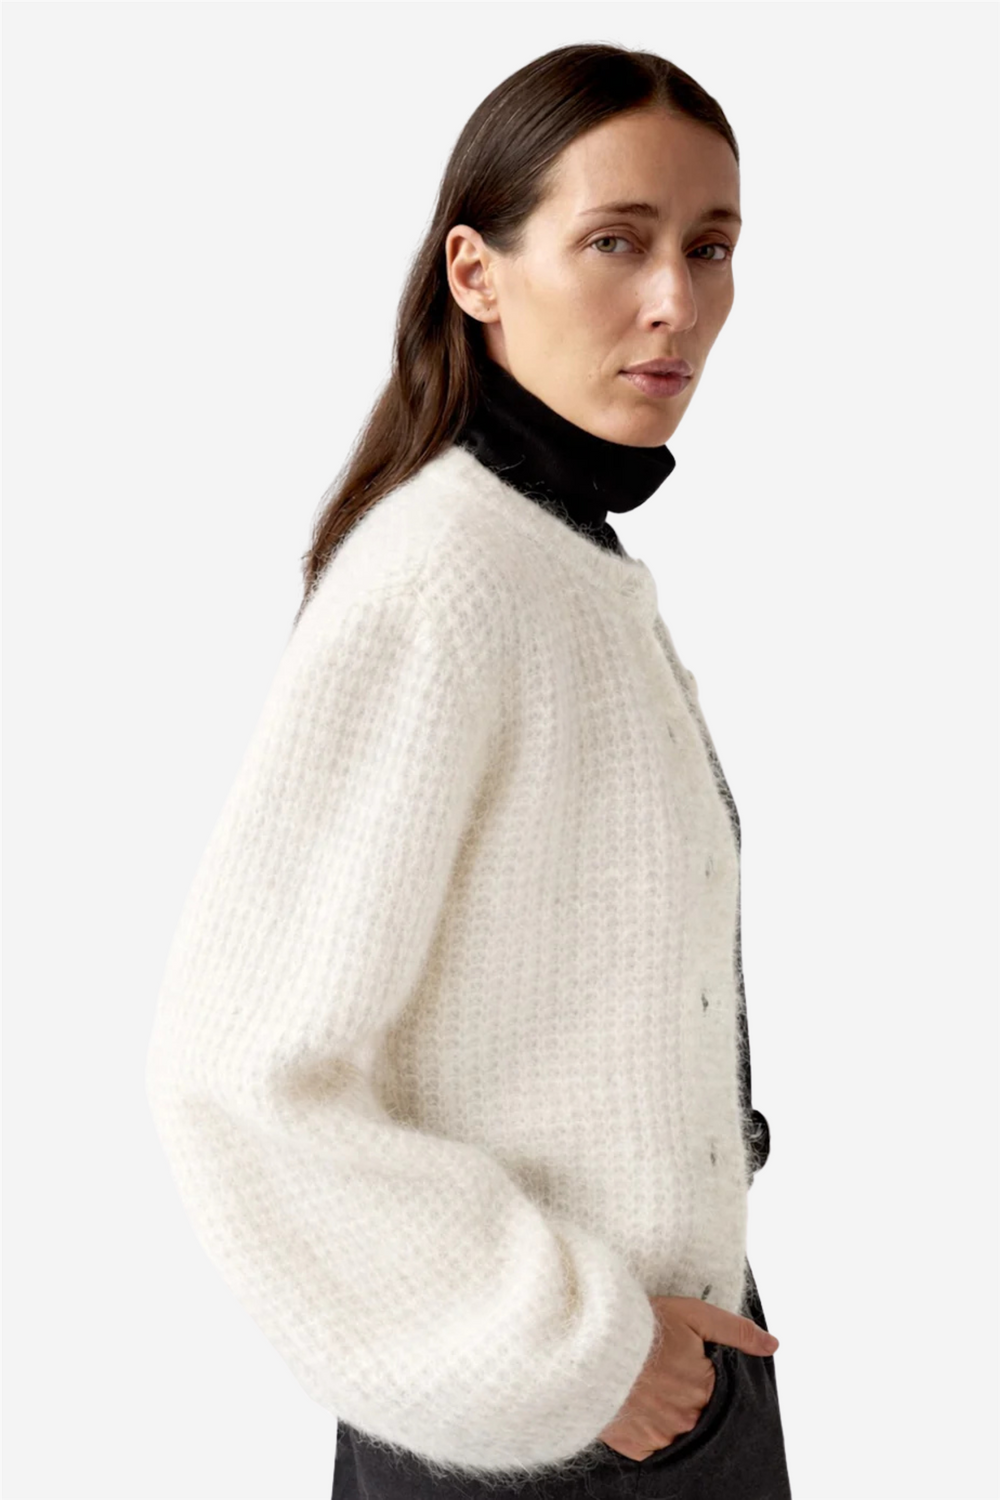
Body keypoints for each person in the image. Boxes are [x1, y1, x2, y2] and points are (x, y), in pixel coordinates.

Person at [145, 41, 792, 1500]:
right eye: (616, 241)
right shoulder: (447, 577)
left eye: (711, 247)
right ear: (476, 272)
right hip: (552, 1427)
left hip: (661, 1390)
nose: (676, 301)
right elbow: (235, 1078)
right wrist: (585, 1354)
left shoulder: (559, 562)